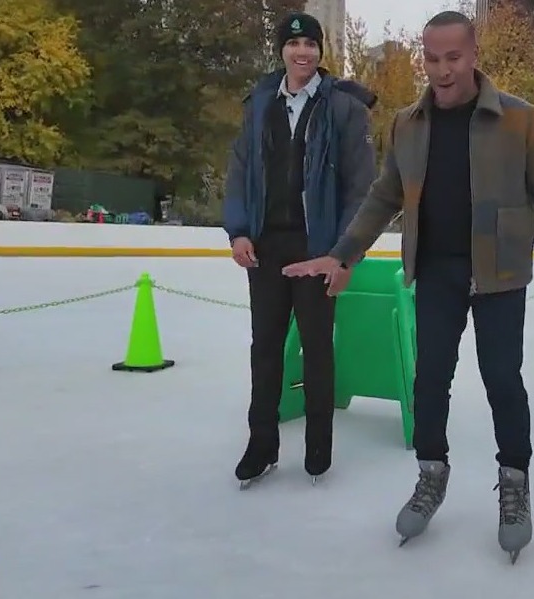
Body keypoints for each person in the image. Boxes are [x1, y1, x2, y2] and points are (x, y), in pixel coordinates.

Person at [280, 10, 534, 561]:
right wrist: (342, 253)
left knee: (503, 381)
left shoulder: (519, 120)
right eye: (432, 58)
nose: (443, 69)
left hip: (499, 274)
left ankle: (515, 483)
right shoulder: (408, 123)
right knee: (430, 380)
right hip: (437, 272)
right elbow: (383, 197)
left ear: (473, 55)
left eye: (453, 57)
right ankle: (432, 472)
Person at [222, 12, 378, 488]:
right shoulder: (260, 103)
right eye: (294, 45)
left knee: (317, 349)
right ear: (282, 51)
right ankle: (261, 445)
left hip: (318, 248)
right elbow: (240, 170)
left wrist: (345, 254)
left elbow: (362, 189)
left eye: (310, 44)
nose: (302, 52)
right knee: (265, 349)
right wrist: (239, 231)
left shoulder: (344, 108)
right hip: (266, 246)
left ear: (320, 51)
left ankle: (318, 447)